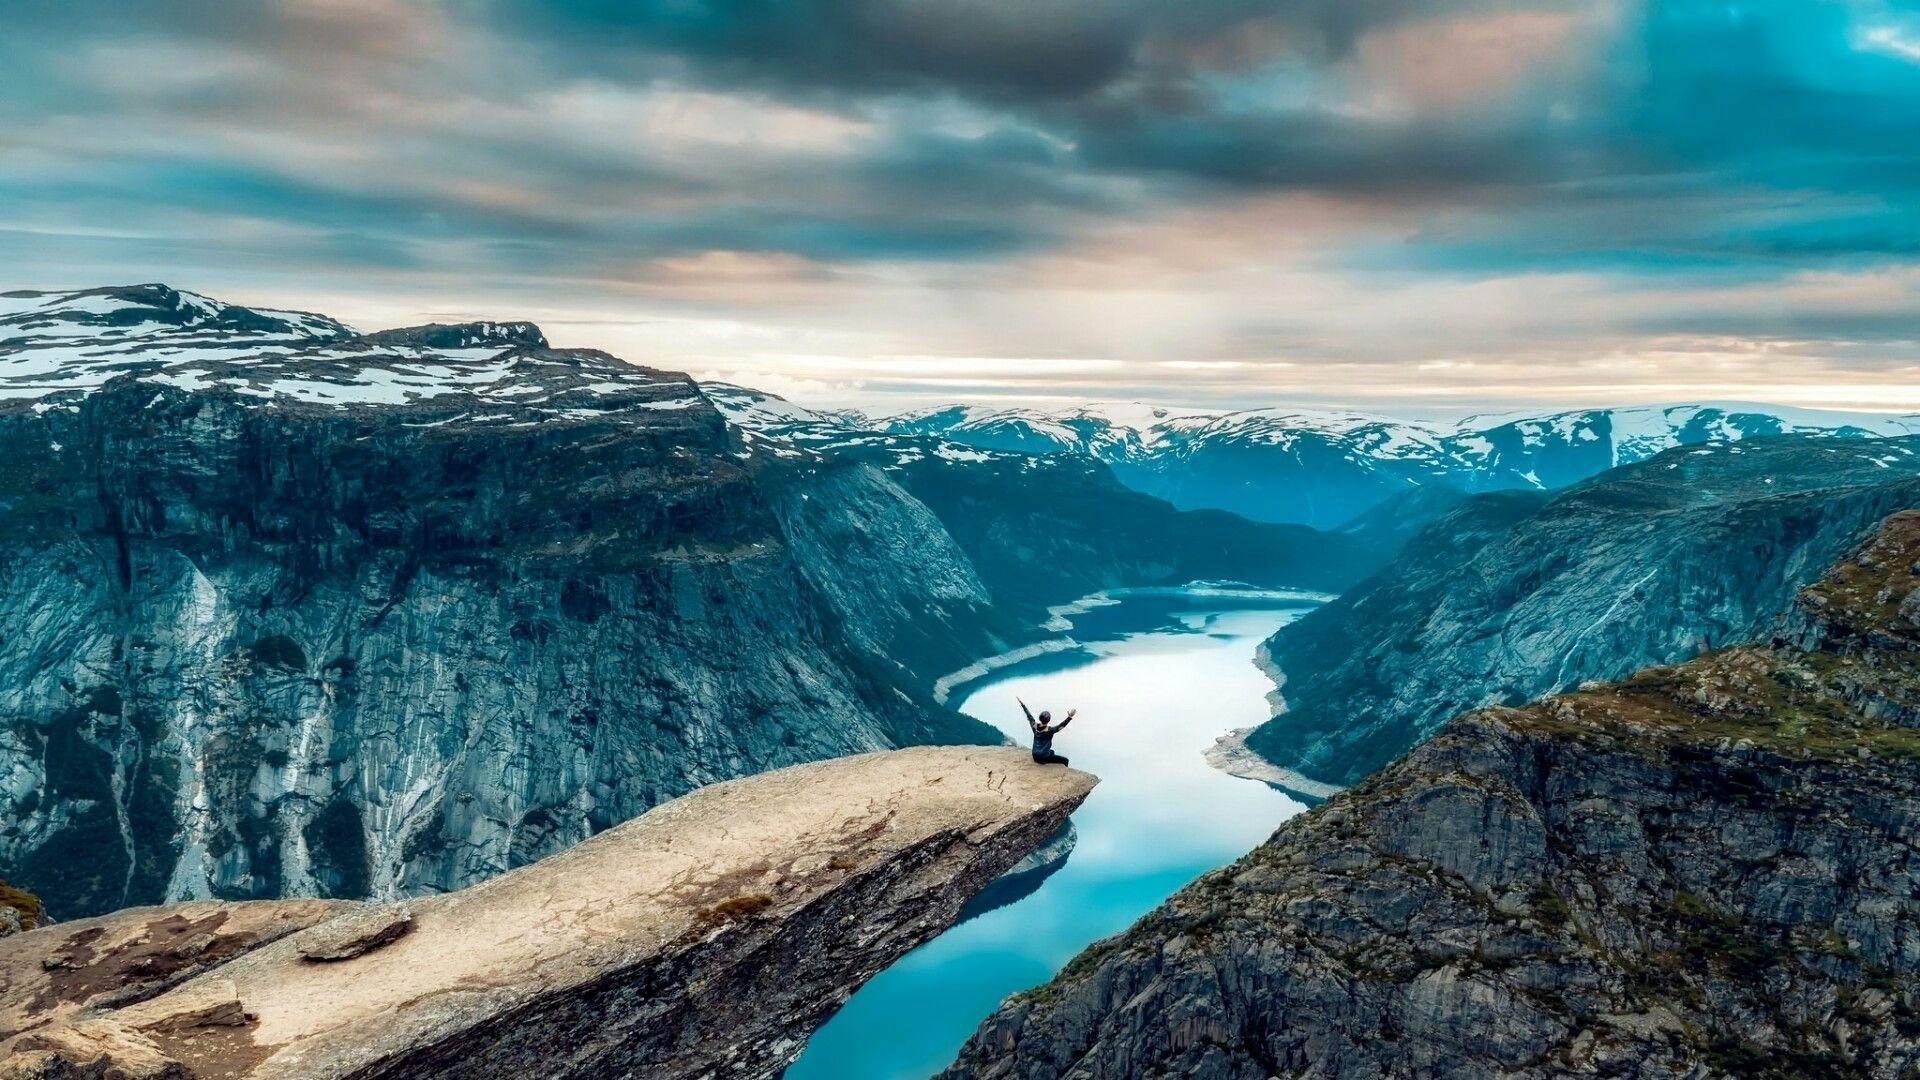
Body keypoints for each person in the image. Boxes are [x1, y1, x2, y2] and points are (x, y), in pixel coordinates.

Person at [1018, 697, 1076, 766]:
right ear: (1049, 720)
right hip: (1043, 757)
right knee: (1065, 760)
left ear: (1040, 718)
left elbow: (1029, 715)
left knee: (1052, 752)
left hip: (1035, 755)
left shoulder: (1034, 726)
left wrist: (1023, 705)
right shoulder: (1050, 730)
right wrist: (1069, 717)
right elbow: (1062, 726)